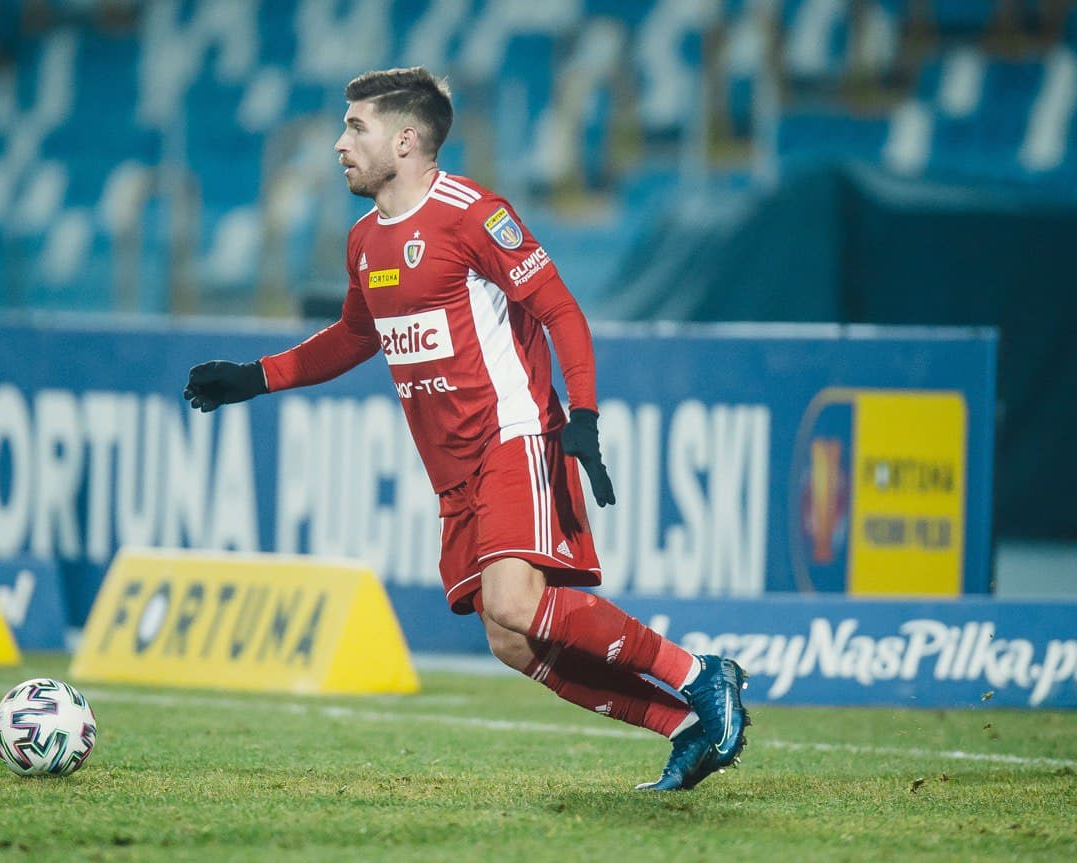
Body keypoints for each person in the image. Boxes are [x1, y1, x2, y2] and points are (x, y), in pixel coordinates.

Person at [183, 66, 749, 791]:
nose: (339, 144)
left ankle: (700, 673)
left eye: (355, 127)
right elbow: (355, 335)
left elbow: (560, 309)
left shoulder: (473, 214)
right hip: (451, 471)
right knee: (511, 639)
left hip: (513, 435)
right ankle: (682, 725)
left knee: (515, 600)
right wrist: (255, 377)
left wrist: (582, 415)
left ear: (406, 139)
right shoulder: (364, 242)